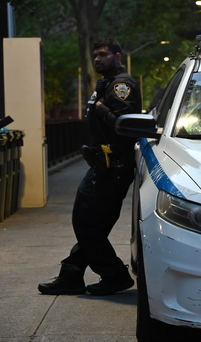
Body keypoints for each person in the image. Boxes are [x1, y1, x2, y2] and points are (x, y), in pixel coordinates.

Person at [39, 38, 141, 296]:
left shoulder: (121, 85)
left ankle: (114, 274)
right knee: (92, 226)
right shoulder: (106, 84)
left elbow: (124, 123)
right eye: (95, 55)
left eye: (103, 54)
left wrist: (99, 107)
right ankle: (72, 275)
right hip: (104, 165)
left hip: (112, 166)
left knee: (86, 224)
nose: (98, 59)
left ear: (117, 56)